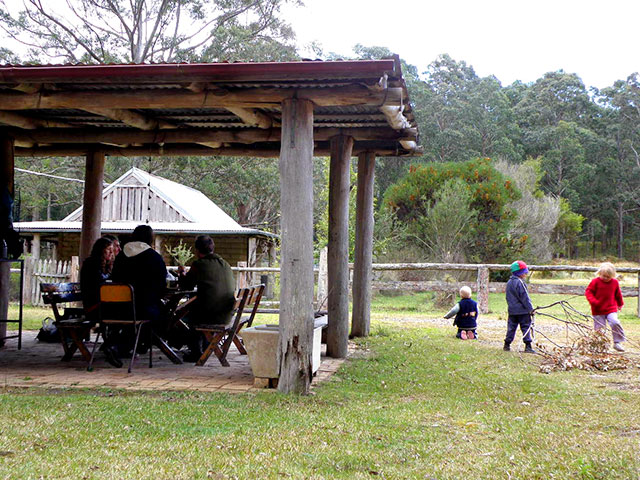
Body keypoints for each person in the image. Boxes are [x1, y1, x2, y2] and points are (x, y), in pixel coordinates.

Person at [177, 235, 236, 361]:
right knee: (197, 307)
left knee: (185, 313)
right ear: (212, 249)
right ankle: (206, 346)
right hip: (227, 313)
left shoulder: (199, 264)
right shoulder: (224, 263)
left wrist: (182, 273)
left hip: (213, 315)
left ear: (197, 250)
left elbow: (186, 285)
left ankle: (196, 352)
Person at [112, 225, 167, 328]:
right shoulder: (154, 257)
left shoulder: (120, 257)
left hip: (118, 310)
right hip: (145, 309)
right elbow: (161, 286)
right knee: (165, 313)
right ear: (150, 239)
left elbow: (114, 279)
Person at [80, 236, 122, 367]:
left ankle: (111, 345)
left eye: (111, 250)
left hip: (104, 305)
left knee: (125, 312)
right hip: (94, 306)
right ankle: (111, 346)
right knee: (122, 313)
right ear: (100, 251)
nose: (111, 253)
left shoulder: (107, 266)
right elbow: (98, 286)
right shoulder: (91, 265)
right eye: (107, 250)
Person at [585, 262, 626, 352]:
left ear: (612, 276)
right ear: (599, 273)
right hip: (598, 309)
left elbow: (618, 294)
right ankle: (600, 345)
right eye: (604, 276)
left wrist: (620, 304)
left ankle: (617, 342)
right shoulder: (595, 282)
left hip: (611, 308)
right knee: (599, 328)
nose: (606, 278)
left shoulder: (615, 282)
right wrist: (594, 301)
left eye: (608, 277)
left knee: (615, 322)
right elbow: (588, 292)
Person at [504, 260, 535, 353]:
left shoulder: (509, 282)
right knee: (526, 327)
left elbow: (507, 297)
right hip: (523, 311)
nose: (525, 274)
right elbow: (525, 297)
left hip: (512, 311)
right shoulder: (520, 283)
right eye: (525, 272)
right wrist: (531, 309)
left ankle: (507, 344)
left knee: (511, 328)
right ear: (520, 273)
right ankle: (528, 346)